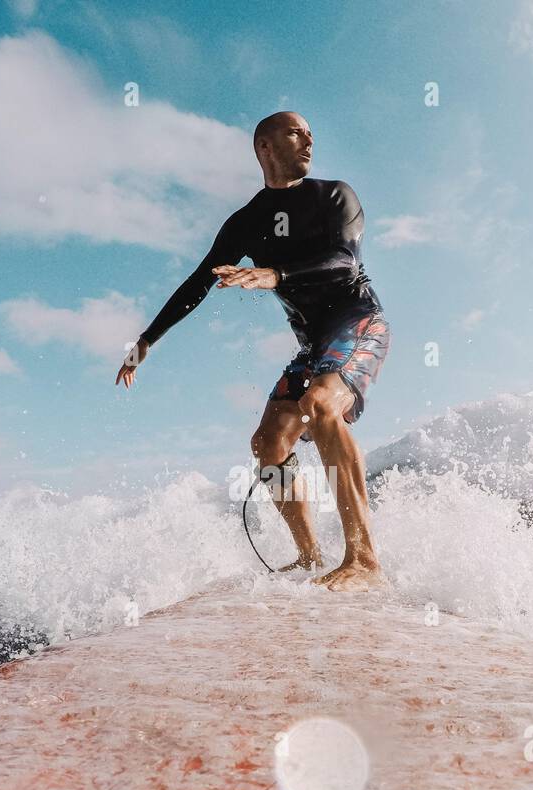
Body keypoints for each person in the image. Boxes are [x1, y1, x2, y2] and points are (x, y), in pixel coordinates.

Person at [116, 112, 390, 590]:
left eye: (310, 133)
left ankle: (363, 561)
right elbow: (198, 282)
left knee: (321, 404)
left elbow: (344, 262)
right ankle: (309, 557)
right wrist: (145, 342)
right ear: (265, 146)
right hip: (312, 347)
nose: (309, 139)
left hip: (358, 322)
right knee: (268, 445)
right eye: (295, 132)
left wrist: (276, 275)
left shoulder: (334, 196)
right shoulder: (247, 221)